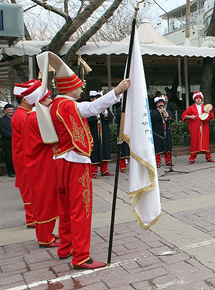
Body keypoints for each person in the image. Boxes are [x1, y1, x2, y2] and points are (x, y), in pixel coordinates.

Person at [38, 51, 131, 270]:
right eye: (79, 86)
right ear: (70, 87)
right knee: (81, 210)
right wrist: (116, 92)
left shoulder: (55, 105)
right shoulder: (68, 105)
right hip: (74, 163)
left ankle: (66, 247)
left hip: (59, 160)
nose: (81, 89)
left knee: (66, 209)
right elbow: (91, 108)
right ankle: (81, 256)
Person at [23, 89, 60, 248]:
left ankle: (47, 233)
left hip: (40, 163)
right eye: (48, 98)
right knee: (45, 200)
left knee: (47, 198)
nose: (50, 100)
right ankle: (45, 237)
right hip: (41, 164)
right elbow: (51, 138)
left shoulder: (34, 116)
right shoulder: (36, 117)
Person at [12, 80, 39, 228]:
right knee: (28, 186)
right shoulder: (23, 116)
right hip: (24, 157)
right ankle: (31, 217)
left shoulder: (23, 113)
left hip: (24, 155)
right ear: (24, 99)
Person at [182, 91, 215, 164]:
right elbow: (183, 115)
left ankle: (208, 157)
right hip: (195, 127)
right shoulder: (191, 108)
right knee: (194, 142)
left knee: (205, 141)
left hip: (204, 127)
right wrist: (190, 117)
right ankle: (192, 158)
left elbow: (212, 116)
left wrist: (208, 113)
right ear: (194, 99)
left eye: (200, 98)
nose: (199, 100)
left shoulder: (204, 107)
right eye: (197, 98)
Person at [87, 91, 114, 178]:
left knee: (105, 149)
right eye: (96, 98)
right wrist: (96, 116)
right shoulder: (88, 108)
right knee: (95, 151)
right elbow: (88, 120)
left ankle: (104, 170)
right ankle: (93, 171)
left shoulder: (103, 107)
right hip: (94, 133)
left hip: (104, 132)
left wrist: (105, 113)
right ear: (92, 99)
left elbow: (110, 118)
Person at [151, 96, 174, 167]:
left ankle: (168, 161)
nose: (161, 104)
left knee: (167, 146)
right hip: (158, 132)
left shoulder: (167, 111)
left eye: (162, 103)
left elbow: (171, 119)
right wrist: (160, 113)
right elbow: (153, 118)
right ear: (156, 104)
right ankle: (158, 162)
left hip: (166, 131)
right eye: (159, 103)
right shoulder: (154, 112)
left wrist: (166, 116)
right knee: (158, 147)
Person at [0, 103, 15, 177]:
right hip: (8, 142)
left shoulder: (15, 118)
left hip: (17, 141)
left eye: (12, 110)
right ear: (5, 111)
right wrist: (15, 135)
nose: (10, 111)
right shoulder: (2, 120)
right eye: (8, 110)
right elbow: (3, 131)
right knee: (9, 157)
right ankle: (11, 172)